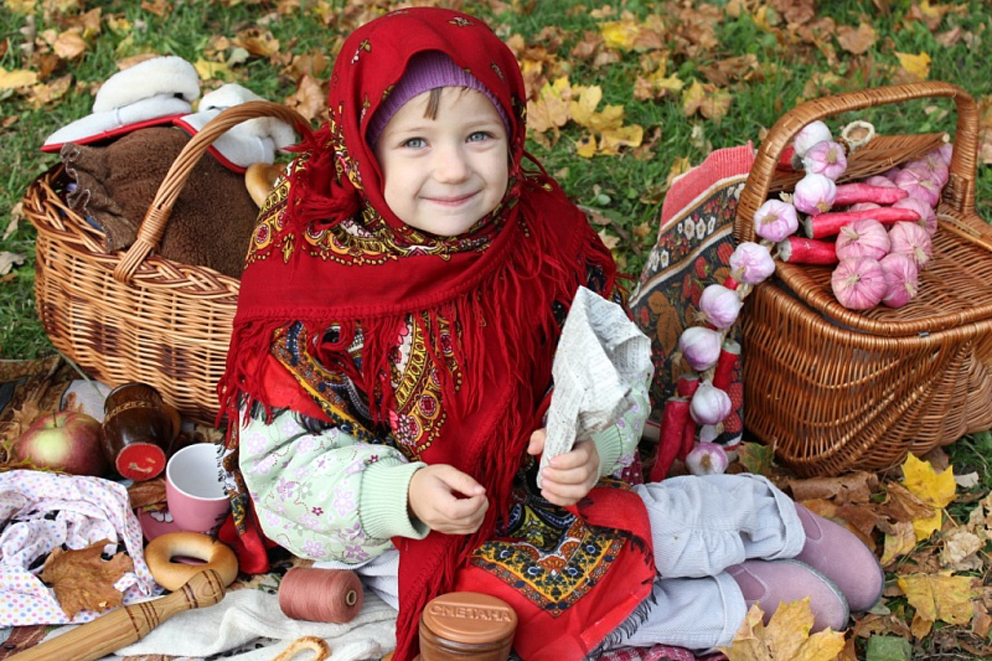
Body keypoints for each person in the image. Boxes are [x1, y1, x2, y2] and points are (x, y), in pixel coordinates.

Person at [217, 8, 884, 661]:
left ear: (511, 131)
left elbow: (613, 362)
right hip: (411, 533)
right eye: (415, 142)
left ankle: (767, 520)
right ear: (362, 150)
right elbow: (283, 466)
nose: (453, 169)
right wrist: (403, 493)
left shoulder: (544, 244)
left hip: (545, 483)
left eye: (479, 136)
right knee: (513, 611)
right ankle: (728, 604)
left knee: (641, 509)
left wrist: (598, 444)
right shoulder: (318, 292)